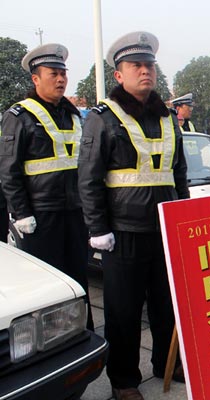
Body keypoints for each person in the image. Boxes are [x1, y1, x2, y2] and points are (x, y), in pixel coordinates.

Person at [77, 31, 190, 400]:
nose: (145, 71)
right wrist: (98, 228)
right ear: (119, 75)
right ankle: (124, 380)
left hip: (164, 228)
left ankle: (165, 362)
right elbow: (89, 177)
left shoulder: (168, 118)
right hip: (122, 233)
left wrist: (186, 218)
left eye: (149, 65)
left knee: (165, 304)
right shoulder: (102, 117)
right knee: (123, 312)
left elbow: (180, 175)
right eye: (135, 66)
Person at [0, 43, 93, 328]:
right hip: (41, 217)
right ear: (36, 78)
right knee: (49, 285)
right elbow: (8, 169)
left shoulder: (73, 115)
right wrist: (21, 213)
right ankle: (51, 339)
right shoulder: (19, 116)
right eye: (53, 73)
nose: (61, 79)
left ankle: (82, 332)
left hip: (75, 213)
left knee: (77, 277)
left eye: (63, 73)